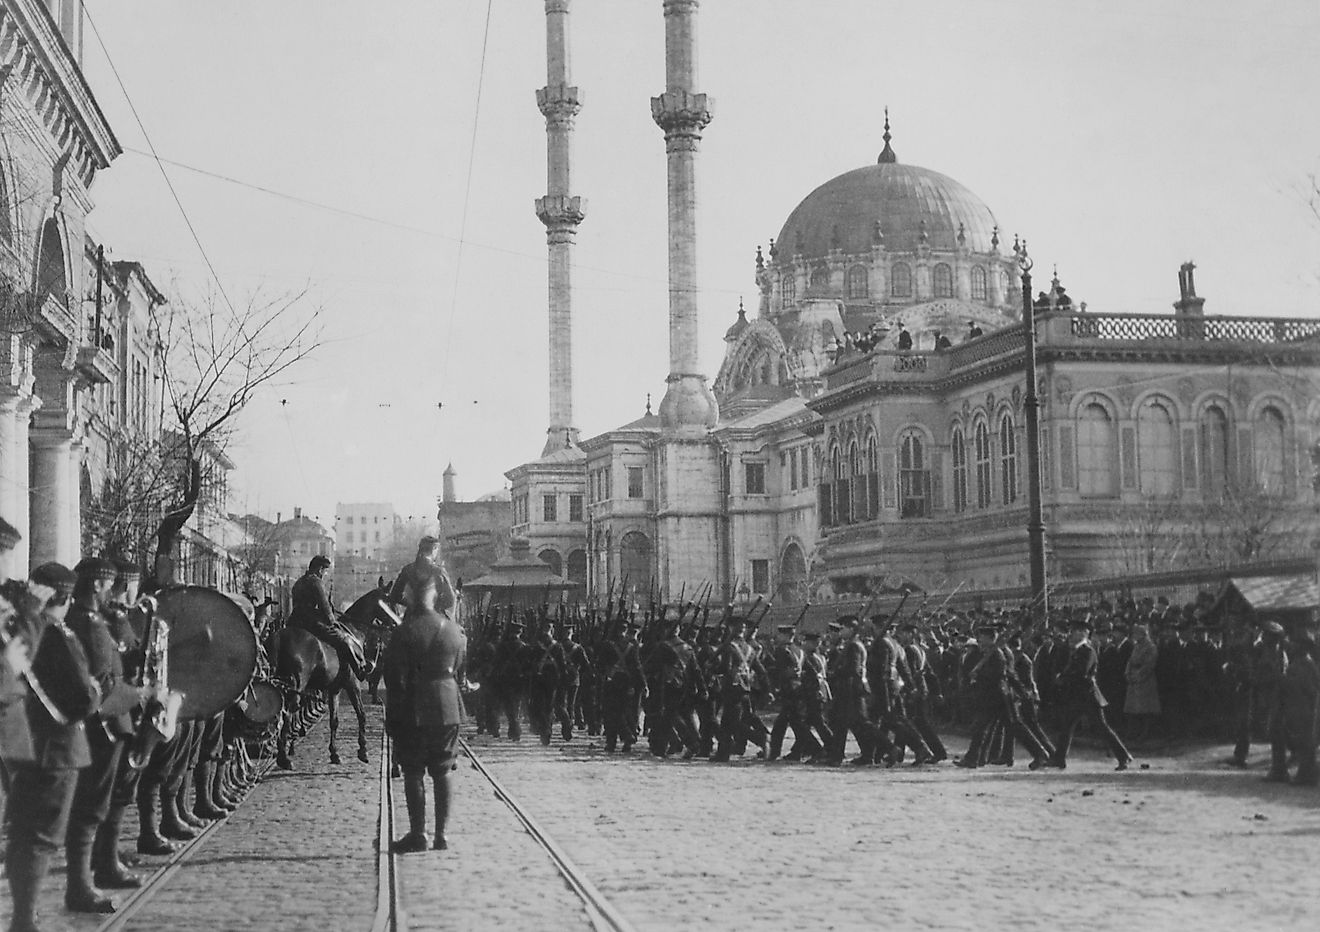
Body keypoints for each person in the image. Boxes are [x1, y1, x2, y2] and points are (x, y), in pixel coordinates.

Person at [5, 559, 103, 932]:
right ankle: (24, 922)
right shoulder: (57, 633)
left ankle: (21, 916)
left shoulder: (22, 629)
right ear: (65, 597)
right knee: (42, 837)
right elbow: (83, 695)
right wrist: (94, 691)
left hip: (26, 742)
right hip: (59, 746)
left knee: (23, 832)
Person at [64, 557, 143, 914]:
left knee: (97, 802)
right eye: (109, 583)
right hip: (105, 726)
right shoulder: (92, 624)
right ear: (96, 585)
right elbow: (105, 686)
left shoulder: (86, 621)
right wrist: (141, 694)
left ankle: (102, 867)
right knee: (91, 805)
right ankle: (81, 887)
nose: (113, 590)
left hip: (103, 725)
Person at [383, 571, 466, 853]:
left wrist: (392, 719)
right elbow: (458, 668)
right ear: (434, 596)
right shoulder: (454, 630)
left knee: (413, 770)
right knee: (443, 771)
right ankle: (442, 835)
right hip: (447, 707)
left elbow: (394, 679)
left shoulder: (403, 632)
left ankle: (419, 833)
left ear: (411, 597)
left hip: (413, 708)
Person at [1044, 617, 1133, 771]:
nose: (1073, 634)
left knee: (1102, 728)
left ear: (1085, 633)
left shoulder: (1088, 651)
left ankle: (1124, 756)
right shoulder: (1076, 650)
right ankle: (1059, 759)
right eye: (1073, 631)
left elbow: (1081, 672)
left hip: (1088, 696)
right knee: (1066, 727)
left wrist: (1063, 678)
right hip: (1077, 695)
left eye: (1077, 631)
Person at [288, 555, 372, 680]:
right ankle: (360, 670)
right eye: (325, 571)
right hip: (311, 623)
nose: (325, 575)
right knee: (344, 639)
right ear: (319, 569)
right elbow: (325, 607)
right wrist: (332, 621)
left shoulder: (299, 582)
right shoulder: (316, 582)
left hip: (294, 621)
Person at [1123, 623, 1160, 742]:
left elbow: (1149, 665)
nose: (1134, 636)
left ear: (1143, 634)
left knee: (1145, 709)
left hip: (1145, 681)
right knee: (1133, 709)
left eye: (1136, 633)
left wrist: (1138, 676)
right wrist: (1128, 673)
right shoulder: (1136, 646)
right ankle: (1133, 732)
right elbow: (1130, 661)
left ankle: (1145, 733)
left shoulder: (1151, 647)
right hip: (1134, 681)